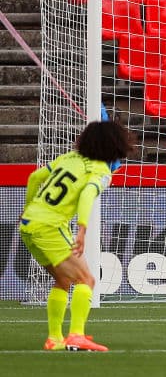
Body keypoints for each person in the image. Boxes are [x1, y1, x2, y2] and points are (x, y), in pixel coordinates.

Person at [20, 118, 135, 351]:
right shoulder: (101, 170)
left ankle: (54, 338)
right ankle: (76, 335)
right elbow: (86, 195)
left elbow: (34, 178)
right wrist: (82, 229)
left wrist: (29, 209)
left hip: (29, 224)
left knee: (63, 279)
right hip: (50, 226)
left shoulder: (69, 158)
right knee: (86, 280)